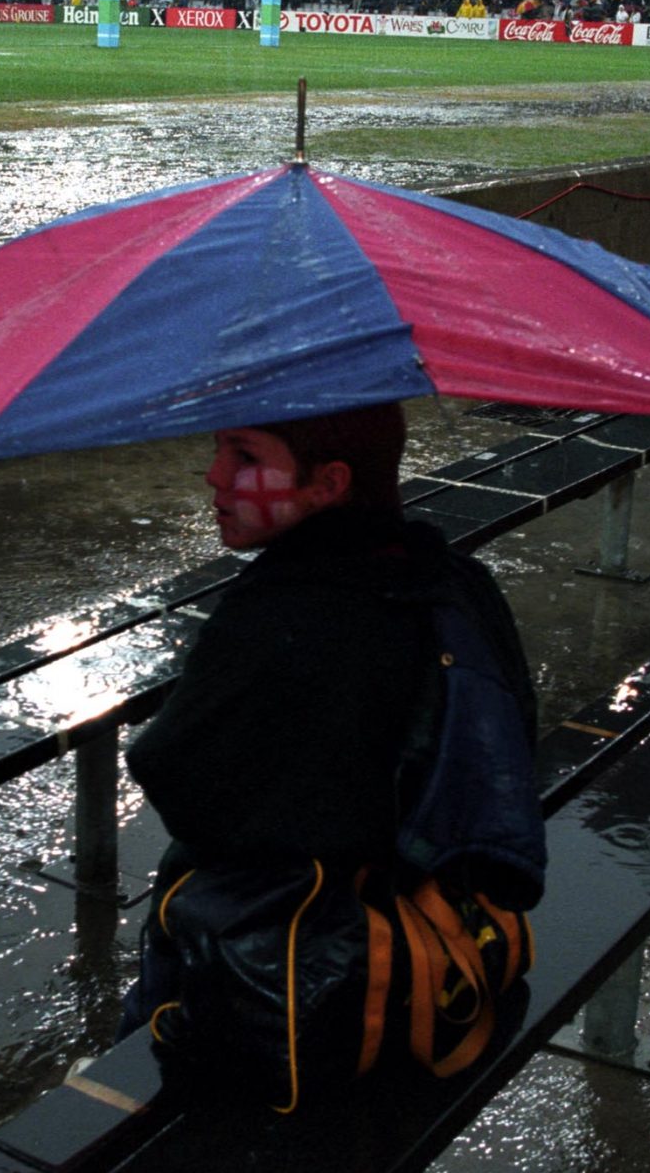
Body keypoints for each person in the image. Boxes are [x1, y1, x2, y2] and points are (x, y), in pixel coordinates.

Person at [120, 404, 543, 1100]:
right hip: (443, 933)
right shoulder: (454, 582)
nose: (215, 475)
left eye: (246, 456)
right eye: (219, 450)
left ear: (329, 483)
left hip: (304, 982)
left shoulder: (273, 614)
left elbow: (172, 771)